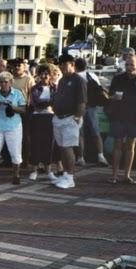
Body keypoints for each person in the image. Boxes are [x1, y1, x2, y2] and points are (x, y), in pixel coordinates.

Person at [108, 55, 136, 184]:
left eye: (132, 65)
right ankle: (114, 175)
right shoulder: (118, 78)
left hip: (135, 116)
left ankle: (127, 175)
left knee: (131, 145)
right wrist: (114, 97)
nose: (129, 67)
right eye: (127, 65)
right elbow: (111, 94)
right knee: (118, 145)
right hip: (119, 115)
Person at [50, 54, 87, 189]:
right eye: (60, 64)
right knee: (62, 148)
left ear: (72, 64)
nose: (61, 67)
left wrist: (77, 117)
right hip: (59, 118)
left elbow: (82, 102)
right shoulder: (62, 80)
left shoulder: (78, 80)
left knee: (67, 148)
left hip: (70, 118)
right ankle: (65, 175)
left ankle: (70, 177)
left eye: (64, 64)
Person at [0, 71, 26, 185]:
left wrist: (13, 107)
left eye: (6, 82)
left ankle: (16, 175)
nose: (3, 84)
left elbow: (24, 109)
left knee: (15, 151)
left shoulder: (17, 93)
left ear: (11, 82)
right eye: (1, 82)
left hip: (14, 125)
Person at [74, 57, 109, 167]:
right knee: (96, 132)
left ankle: (80, 157)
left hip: (78, 107)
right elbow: (100, 89)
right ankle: (101, 155)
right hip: (91, 107)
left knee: (80, 133)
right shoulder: (92, 75)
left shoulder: (75, 77)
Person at [26, 64, 59, 182]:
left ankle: (48, 170)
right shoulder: (34, 88)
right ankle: (34, 170)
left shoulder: (54, 88)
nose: (44, 76)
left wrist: (48, 103)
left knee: (49, 144)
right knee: (36, 143)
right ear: (39, 75)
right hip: (37, 118)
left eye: (47, 74)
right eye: (42, 74)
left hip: (50, 118)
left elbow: (56, 101)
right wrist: (48, 103)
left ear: (50, 75)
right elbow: (36, 103)